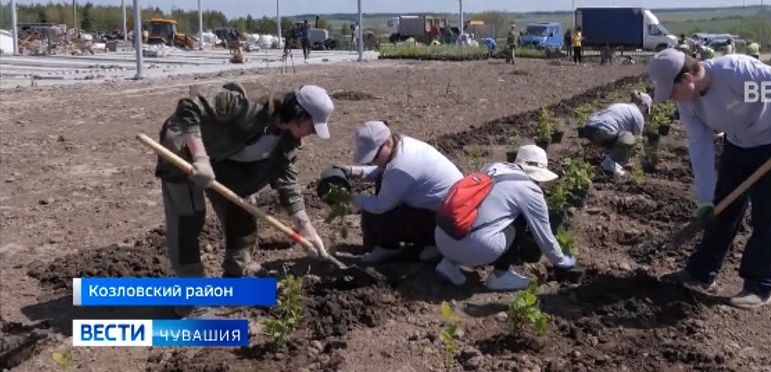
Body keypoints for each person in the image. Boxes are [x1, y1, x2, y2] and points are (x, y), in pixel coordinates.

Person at [646, 48, 771, 309]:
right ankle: (701, 273)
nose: (670, 98)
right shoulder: (688, 103)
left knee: (768, 215)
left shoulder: (738, 73)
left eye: (671, 90)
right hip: (737, 144)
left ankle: (760, 286)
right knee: (722, 210)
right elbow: (699, 147)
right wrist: (704, 200)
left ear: (688, 78)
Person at [154, 83, 333, 288]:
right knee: (188, 218)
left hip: (222, 158)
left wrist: (306, 229)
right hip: (183, 144)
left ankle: (238, 268)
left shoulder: (288, 140)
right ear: (299, 116)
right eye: (313, 126)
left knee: (241, 208)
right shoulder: (246, 105)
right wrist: (200, 157)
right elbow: (188, 107)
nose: (313, 133)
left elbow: (287, 181)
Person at [434, 145, 577, 291]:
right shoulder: (530, 190)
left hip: (442, 238)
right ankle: (500, 276)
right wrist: (562, 261)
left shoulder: (490, 168)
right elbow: (544, 236)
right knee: (520, 218)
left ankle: (449, 264)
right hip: (476, 249)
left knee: (477, 213)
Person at [338, 121, 463, 265]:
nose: (372, 162)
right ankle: (381, 245)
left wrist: (349, 198)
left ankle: (419, 244)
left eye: (374, 157)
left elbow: (381, 205)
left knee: (377, 209)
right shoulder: (402, 145)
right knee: (378, 191)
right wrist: (352, 171)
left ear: (388, 142)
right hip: (438, 208)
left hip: (445, 221)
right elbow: (383, 172)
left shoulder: (401, 167)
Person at [579, 92, 653, 177]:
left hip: (589, 128)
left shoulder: (620, 105)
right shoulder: (638, 115)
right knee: (629, 139)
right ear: (643, 105)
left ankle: (607, 157)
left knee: (619, 136)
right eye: (646, 110)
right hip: (603, 131)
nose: (645, 114)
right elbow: (638, 141)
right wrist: (643, 161)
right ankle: (609, 164)